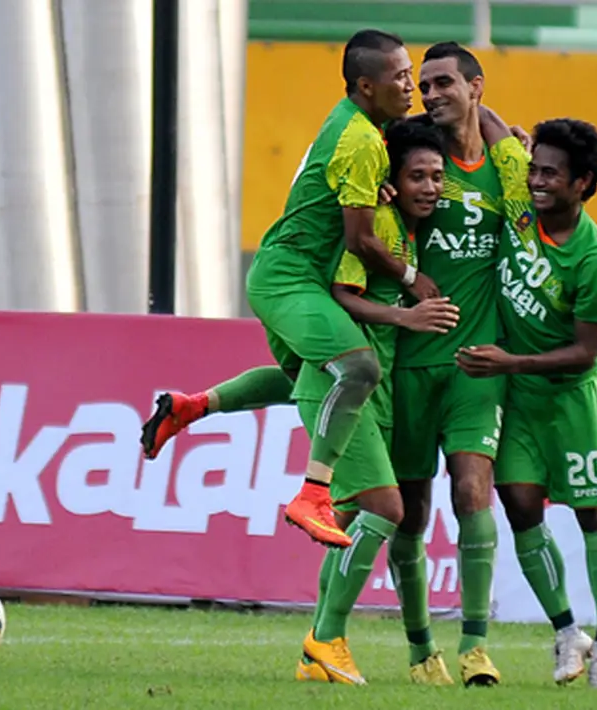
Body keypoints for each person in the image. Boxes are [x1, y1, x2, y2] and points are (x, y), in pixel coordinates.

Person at [139, 29, 438, 550]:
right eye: (401, 77)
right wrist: (413, 282)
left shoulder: (358, 127)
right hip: (290, 278)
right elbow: (360, 239)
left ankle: (193, 407)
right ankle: (313, 494)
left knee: (302, 377)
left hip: (290, 274)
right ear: (366, 86)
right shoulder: (363, 141)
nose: (411, 86)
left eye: (412, 74)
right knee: (361, 372)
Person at [455, 112, 597, 690]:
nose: (536, 179)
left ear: (583, 183)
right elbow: (482, 112)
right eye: (535, 168)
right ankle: (565, 630)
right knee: (522, 507)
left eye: (551, 174)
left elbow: (585, 352)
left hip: (569, 399)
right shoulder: (521, 206)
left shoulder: (595, 261)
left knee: (591, 512)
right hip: (520, 397)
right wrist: (471, 99)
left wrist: (511, 362)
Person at [294, 119, 458, 685]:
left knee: (348, 517)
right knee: (387, 510)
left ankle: (315, 651)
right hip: (355, 384)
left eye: (437, 176)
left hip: (380, 390)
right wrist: (405, 314)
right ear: (392, 182)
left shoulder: (406, 226)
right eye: (417, 176)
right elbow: (343, 293)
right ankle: (326, 639)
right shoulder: (380, 223)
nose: (431, 186)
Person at [383, 41, 510, 688]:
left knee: (470, 490)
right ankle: (417, 648)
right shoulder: (412, 161)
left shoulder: (506, 166)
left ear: (474, 86)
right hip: (407, 363)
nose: (429, 94)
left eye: (442, 84)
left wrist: (495, 126)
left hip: (474, 365)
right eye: (423, 84)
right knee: (408, 511)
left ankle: (475, 647)